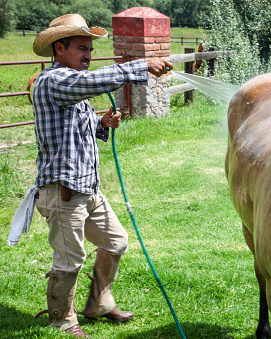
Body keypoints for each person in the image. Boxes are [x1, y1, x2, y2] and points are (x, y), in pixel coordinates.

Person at [29, 13, 173, 338]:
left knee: (117, 241)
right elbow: (89, 83)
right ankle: (62, 321)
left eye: (90, 50)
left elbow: (76, 124)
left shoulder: (70, 85)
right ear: (60, 48)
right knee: (69, 259)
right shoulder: (54, 81)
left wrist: (101, 124)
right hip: (63, 191)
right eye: (82, 48)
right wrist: (141, 66)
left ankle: (99, 304)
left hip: (87, 188)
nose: (88, 56)